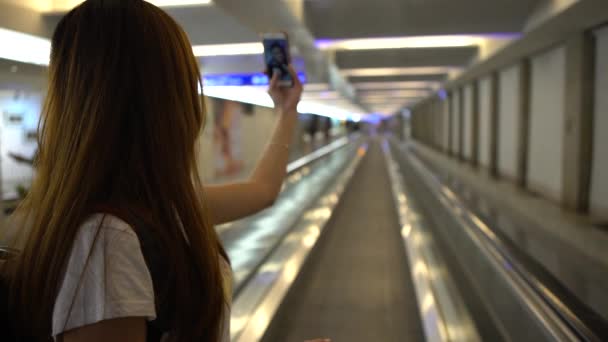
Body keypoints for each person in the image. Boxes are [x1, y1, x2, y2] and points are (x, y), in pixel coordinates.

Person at [0, 1, 329, 341]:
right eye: (187, 82)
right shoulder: (108, 240)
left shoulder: (156, 207)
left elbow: (263, 190)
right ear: (163, 102)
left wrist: (287, 109)